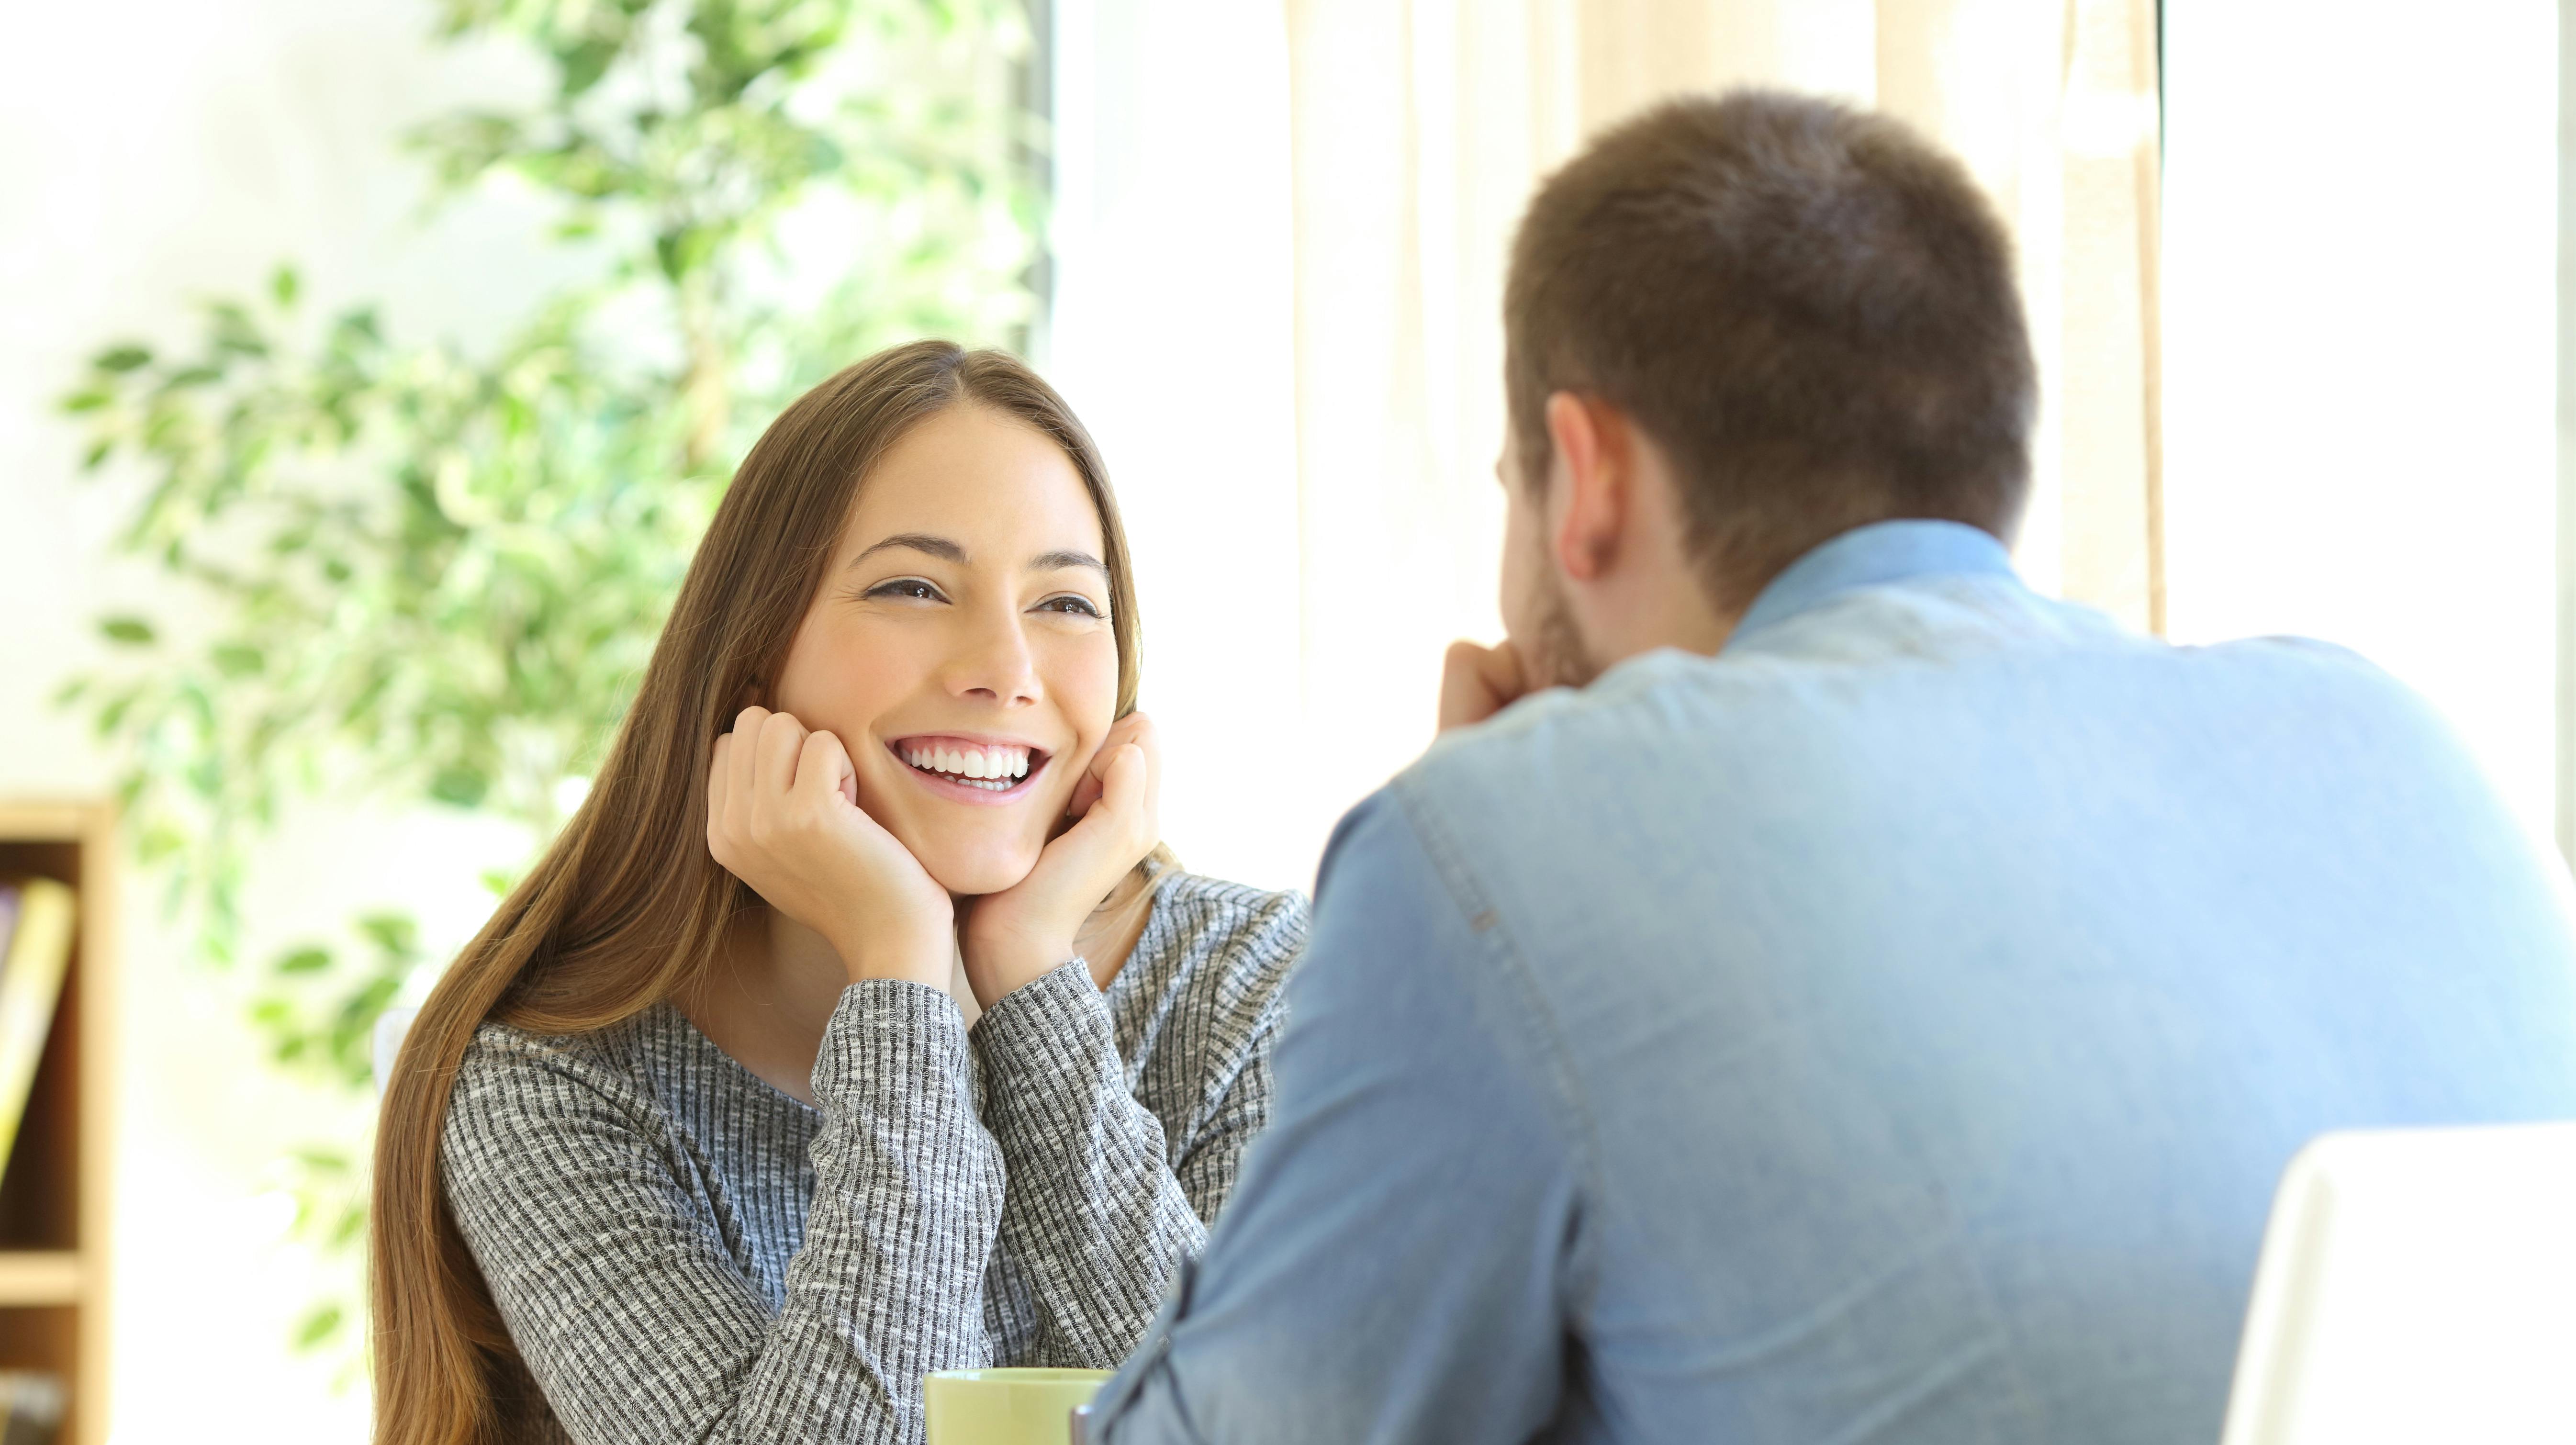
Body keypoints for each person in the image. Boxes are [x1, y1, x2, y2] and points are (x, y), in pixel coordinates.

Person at [1087, 90, 2576, 1444]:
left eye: (1507, 488)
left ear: (1584, 478)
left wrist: (1470, 874)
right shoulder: (2400, 748)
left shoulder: (1513, 838)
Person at [370, 341, 1308, 1445]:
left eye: (1064, 601)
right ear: (754, 655)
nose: (1007, 669)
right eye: (914, 588)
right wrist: (902, 972)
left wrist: (1033, 994)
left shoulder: (1258, 988)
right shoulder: (557, 1085)